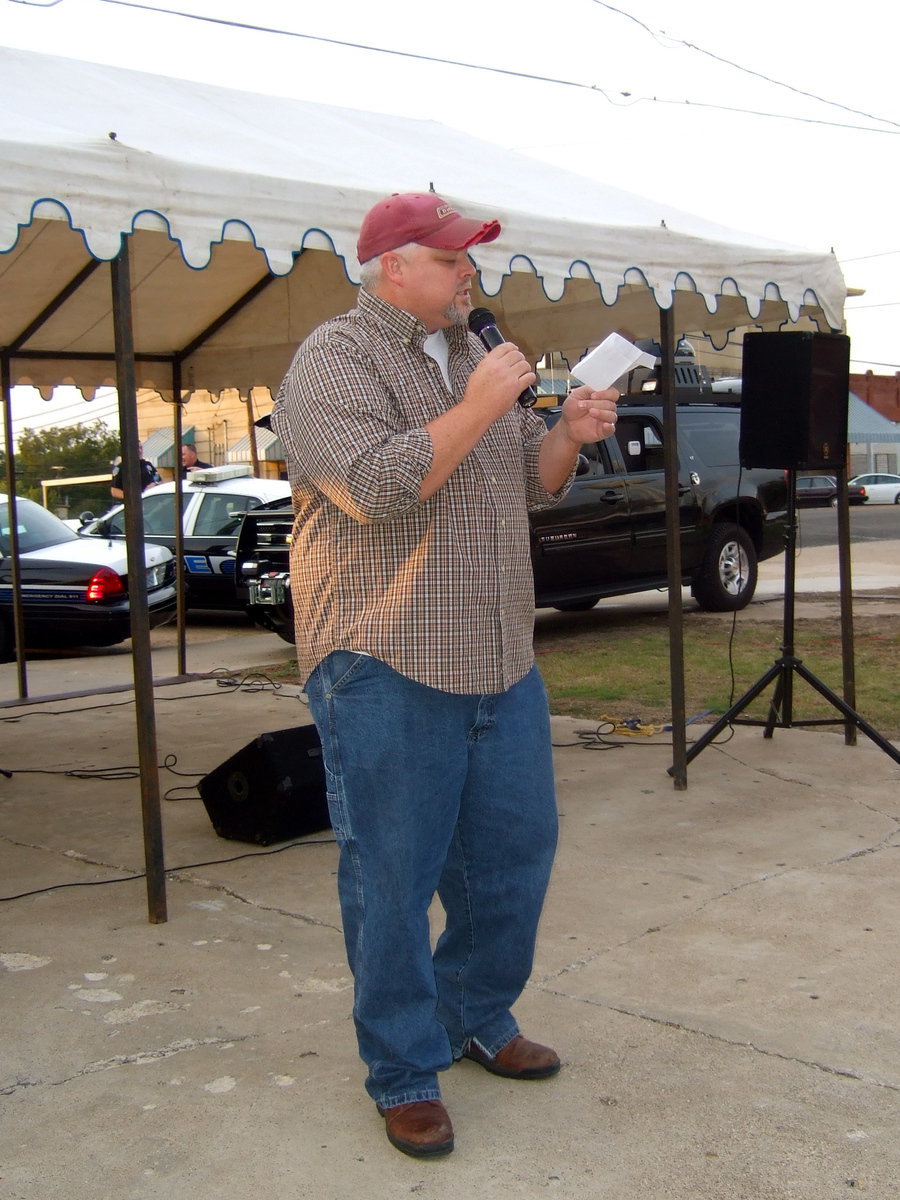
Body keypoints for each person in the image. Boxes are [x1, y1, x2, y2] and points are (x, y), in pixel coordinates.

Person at [270, 191, 618, 1159]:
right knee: (392, 874)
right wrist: (480, 404)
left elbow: (525, 479)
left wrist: (567, 435)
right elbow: (377, 490)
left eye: (470, 259)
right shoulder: (334, 359)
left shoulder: (471, 356)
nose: (471, 274)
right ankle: (402, 1067)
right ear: (393, 266)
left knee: (512, 858)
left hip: (500, 656)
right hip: (387, 658)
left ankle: (475, 1017)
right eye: (452, 258)